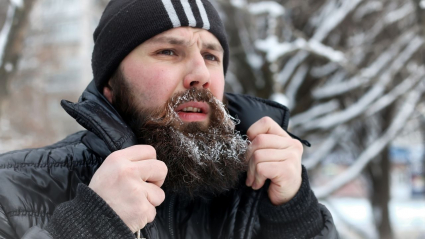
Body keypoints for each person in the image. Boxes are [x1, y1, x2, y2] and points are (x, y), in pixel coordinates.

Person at [0, 0, 338, 238]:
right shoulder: (10, 189)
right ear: (110, 86)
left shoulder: (263, 189)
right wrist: (89, 225)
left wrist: (296, 215)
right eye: (168, 51)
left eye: (210, 55)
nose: (200, 74)